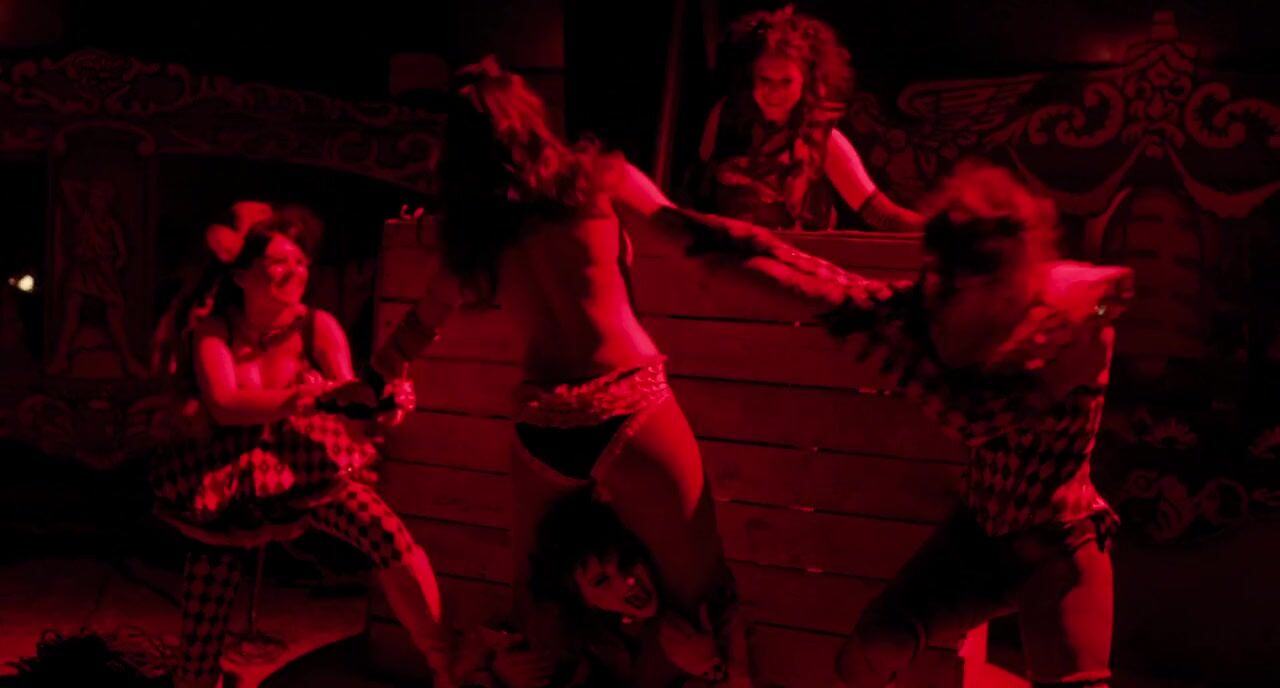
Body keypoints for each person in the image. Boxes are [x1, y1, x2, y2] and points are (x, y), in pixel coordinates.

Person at [652, 161, 1130, 687]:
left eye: (961, 293)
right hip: (978, 534)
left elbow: (985, 408)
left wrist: (1090, 305)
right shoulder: (935, 307)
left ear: (1000, 286)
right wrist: (674, 222)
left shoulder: (1064, 331)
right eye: (939, 286)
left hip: (1059, 545)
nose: (943, 308)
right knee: (871, 651)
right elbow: (820, 283)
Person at [371, 57, 749, 686]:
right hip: (628, 402)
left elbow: (421, 321)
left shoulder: (477, 234)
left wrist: (379, 376)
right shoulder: (597, 180)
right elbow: (690, 235)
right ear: (531, 118)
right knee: (699, 593)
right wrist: (803, 274)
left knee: (538, 605)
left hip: (543, 425)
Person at [150, 202, 455, 688]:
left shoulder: (319, 325)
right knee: (207, 594)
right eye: (278, 262)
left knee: (389, 537)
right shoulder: (213, 331)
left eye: (300, 261)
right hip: (227, 476)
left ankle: (445, 664)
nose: (294, 270)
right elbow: (225, 403)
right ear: (242, 276)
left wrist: (380, 404)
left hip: (303, 463)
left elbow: (349, 399)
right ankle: (196, 678)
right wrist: (305, 396)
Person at [459, 491, 738, 687]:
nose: (627, 582)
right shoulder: (579, 637)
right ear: (584, 599)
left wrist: (711, 668)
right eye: (602, 581)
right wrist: (500, 675)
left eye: (627, 562)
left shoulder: (693, 611)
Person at [688, 5, 921, 233]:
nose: (774, 93)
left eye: (786, 82)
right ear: (750, 78)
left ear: (806, 82)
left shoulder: (825, 141)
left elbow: (882, 214)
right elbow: (693, 190)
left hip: (802, 257)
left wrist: (935, 231)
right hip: (728, 255)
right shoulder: (723, 119)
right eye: (765, 80)